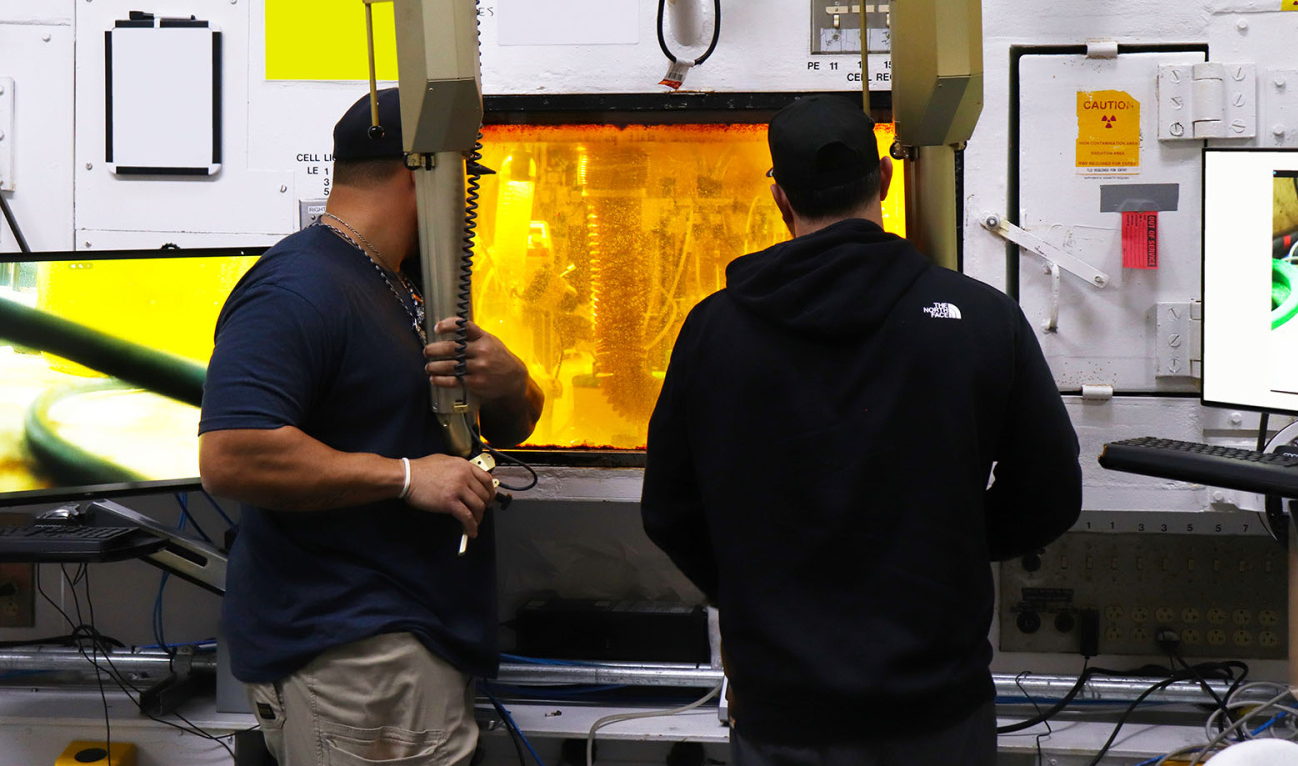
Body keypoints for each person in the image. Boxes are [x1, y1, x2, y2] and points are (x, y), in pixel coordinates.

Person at [641, 95, 1081, 766]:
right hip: (937, 713)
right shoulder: (982, 319)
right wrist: (951, 542)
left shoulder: (712, 331)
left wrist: (758, 588)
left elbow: (670, 511)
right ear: (885, 178)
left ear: (780, 197)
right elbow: (1050, 493)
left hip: (782, 715)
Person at [199, 87, 544, 766]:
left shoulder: (404, 283)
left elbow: (516, 421)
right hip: (354, 660)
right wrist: (407, 477)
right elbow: (232, 455)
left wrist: (509, 380)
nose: (469, 204)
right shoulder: (299, 288)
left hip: (407, 646)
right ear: (425, 173)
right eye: (466, 181)